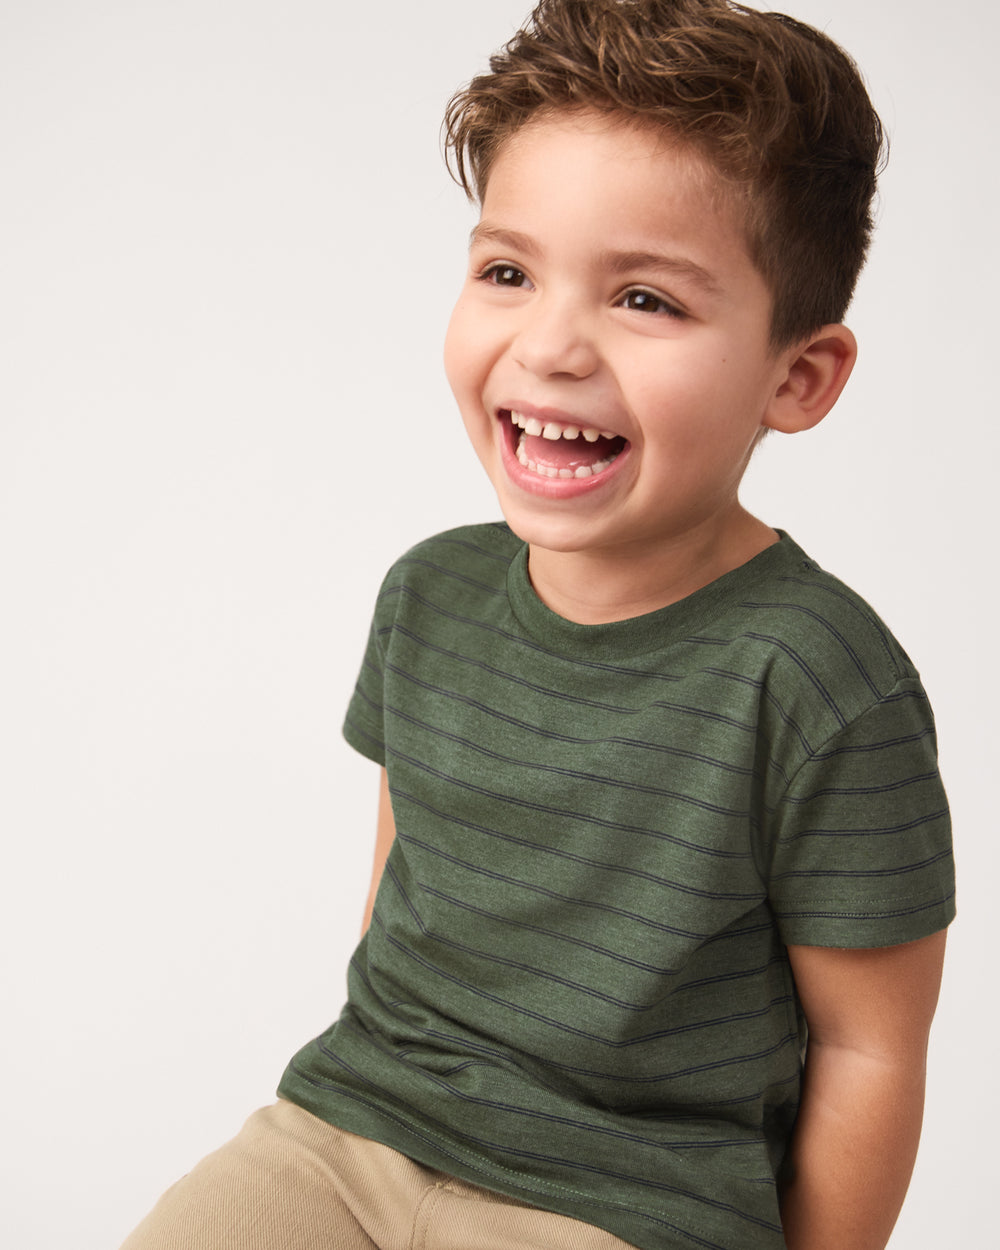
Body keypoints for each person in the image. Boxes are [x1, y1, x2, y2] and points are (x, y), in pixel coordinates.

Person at [120, 1, 955, 1248]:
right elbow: (403, 897)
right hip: (352, 1132)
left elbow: (866, 1047)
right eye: (507, 272)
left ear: (797, 376)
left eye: (645, 299)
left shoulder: (820, 680)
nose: (550, 345)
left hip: (622, 1201)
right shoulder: (430, 595)